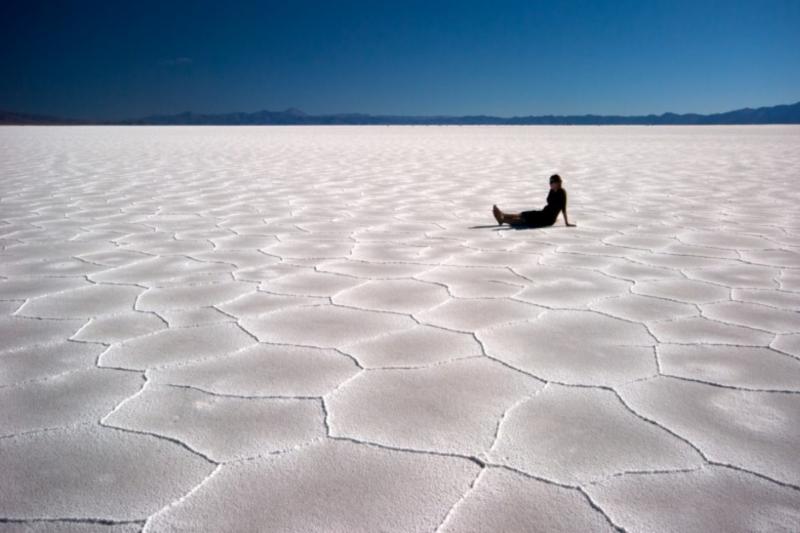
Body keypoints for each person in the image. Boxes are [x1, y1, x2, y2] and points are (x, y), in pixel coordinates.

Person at [493, 174, 576, 228]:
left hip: (548, 219)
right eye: (550, 183)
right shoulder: (551, 191)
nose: (550, 184)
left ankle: (503, 220)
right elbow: (548, 201)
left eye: (552, 182)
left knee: (525, 220)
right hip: (544, 213)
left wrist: (567, 223)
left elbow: (563, 209)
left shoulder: (562, 193)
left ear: (557, 183)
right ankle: (503, 214)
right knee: (526, 214)